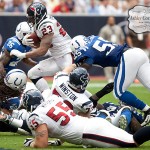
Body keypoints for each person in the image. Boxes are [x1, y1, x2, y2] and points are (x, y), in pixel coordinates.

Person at [1, 94, 150, 148]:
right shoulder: (54, 99)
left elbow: (41, 144)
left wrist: (31, 144)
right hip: (93, 123)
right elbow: (64, 124)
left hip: (89, 132)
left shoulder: (35, 115)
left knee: (132, 142)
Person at [70, 35, 150, 126]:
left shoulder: (86, 50)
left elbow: (85, 67)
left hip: (128, 57)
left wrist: (75, 69)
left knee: (119, 93)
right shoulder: (93, 39)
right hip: (138, 52)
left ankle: (147, 110)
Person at [10, 2, 73, 98]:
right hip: (57, 57)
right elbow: (42, 45)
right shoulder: (40, 22)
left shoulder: (46, 25)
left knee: (66, 90)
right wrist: (31, 42)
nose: (29, 19)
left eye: (31, 17)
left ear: (38, 15)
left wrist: (23, 55)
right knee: (32, 74)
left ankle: (91, 106)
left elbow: (42, 51)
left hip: (67, 56)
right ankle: (46, 95)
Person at [98, 16, 125, 83]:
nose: (111, 21)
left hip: (117, 49)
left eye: (112, 20)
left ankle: (117, 77)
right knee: (108, 65)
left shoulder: (118, 28)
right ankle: (109, 78)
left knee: (117, 64)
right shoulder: (104, 29)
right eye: (110, 20)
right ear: (107, 21)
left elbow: (122, 38)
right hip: (108, 50)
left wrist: (121, 47)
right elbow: (100, 40)